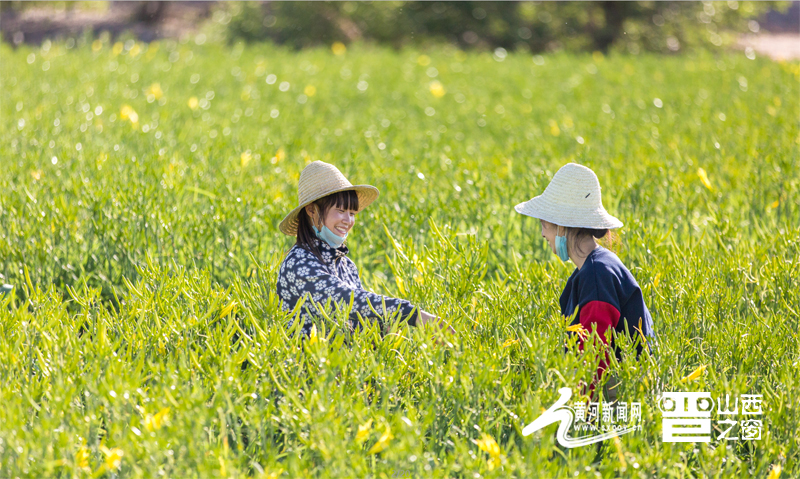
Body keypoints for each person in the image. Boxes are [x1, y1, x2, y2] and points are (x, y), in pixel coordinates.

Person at [514, 163, 656, 400]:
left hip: (619, 395)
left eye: (544, 225)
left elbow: (594, 354)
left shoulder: (596, 275)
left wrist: (580, 409)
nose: (543, 234)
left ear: (561, 225)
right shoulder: (594, 269)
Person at [277, 160, 450, 337]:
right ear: (312, 210)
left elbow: (361, 317)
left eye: (352, 213)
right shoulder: (298, 264)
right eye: (340, 210)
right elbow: (349, 301)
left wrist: (383, 327)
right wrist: (414, 315)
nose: (348, 220)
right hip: (309, 355)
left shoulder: (345, 264)